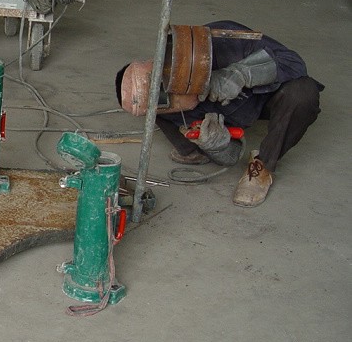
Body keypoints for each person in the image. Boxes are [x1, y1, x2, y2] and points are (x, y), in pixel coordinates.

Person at [115, 20, 322, 207]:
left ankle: (263, 165)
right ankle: (189, 152)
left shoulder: (217, 41)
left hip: (269, 96)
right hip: (233, 117)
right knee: (196, 147)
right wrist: (216, 145)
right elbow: (230, 157)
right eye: (160, 105)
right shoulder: (168, 113)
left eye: (162, 91)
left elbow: (294, 63)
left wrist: (241, 73)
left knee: (303, 93)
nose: (171, 101)